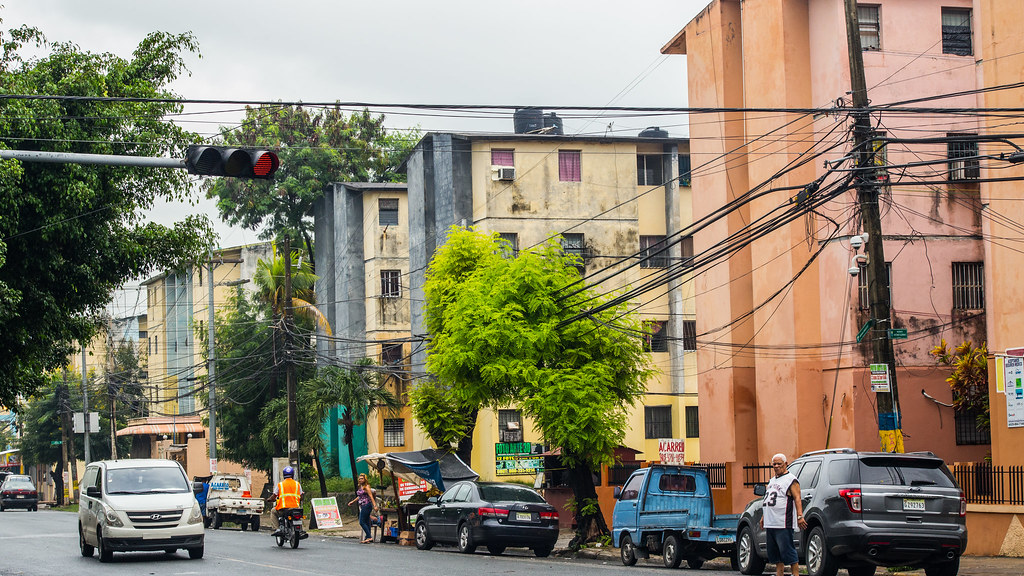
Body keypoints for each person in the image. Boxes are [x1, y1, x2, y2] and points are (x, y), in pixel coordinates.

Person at [760, 453, 807, 576]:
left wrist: (800, 516)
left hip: (783, 522)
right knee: (774, 551)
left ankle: (795, 574)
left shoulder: (791, 479)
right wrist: (763, 517)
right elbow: (767, 500)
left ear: (786, 464)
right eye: (774, 464)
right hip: (771, 522)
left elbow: (797, 498)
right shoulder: (771, 481)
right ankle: (779, 573)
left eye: (779, 464)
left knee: (787, 549)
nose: (776, 466)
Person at [268, 465, 304, 537]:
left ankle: (277, 529)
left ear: (284, 475)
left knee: (273, 511)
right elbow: (302, 496)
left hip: (284, 509)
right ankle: (300, 530)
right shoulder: (297, 484)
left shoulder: (280, 485)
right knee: (298, 516)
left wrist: (269, 499)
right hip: (296, 508)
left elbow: (274, 496)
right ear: (293, 475)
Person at [347, 473, 378, 543]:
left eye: (362, 479)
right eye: (359, 479)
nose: (360, 480)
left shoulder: (366, 487)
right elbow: (359, 497)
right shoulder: (360, 487)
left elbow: (371, 496)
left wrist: (375, 505)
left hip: (366, 505)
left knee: (361, 522)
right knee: (367, 522)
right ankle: (368, 537)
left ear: (365, 479)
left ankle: (369, 536)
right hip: (362, 505)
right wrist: (352, 501)